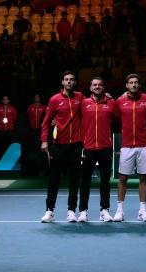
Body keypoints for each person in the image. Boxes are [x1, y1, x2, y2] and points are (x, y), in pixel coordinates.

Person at [40, 70, 85, 223]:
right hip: (58, 146)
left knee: (74, 179)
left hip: (76, 146)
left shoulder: (80, 97)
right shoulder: (54, 100)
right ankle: (49, 211)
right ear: (62, 82)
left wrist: (107, 97)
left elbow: (93, 105)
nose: (69, 82)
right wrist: (44, 141)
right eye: (66, 79)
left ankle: (71, 211)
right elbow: (46, 122)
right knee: (54, 179)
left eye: (72, 79)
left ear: (75, 82)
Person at [113, 73, 146, 222]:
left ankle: (142, 211)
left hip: (144, 145)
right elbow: (114, 116)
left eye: (136, 82)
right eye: (131, 82)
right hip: (126, 145)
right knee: (122, 178)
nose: (134, 85)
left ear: (140, 85)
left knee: (143, 177)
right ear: (127, 85)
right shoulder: (120, 101)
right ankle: (119, 211)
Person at [78, 77, 119, 222]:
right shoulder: (83, 103)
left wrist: (112, 100)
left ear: (104, 87)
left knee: (105, 182)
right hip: (88, 148)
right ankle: (83, 211)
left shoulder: (111, 103)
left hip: (105, 147)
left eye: (100, 85)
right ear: (90, 88)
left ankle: (104, 210)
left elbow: (120, 117)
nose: (97, 87)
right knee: (85, 182)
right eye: (94, 85)